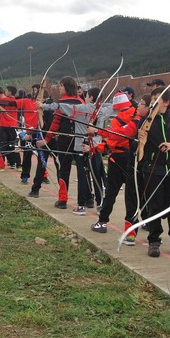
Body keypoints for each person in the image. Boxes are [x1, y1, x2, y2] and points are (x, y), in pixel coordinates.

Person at [138, 87, 170, 258]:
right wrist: (141, 141)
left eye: (156, 100)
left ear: (166, 103)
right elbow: (137, 150)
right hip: (153, 169)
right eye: (151, 100)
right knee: (155, 206)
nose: (153, 103)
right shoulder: (146, 121)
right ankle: (154, 241)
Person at [89, 92, 140, 234]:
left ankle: (102, 222)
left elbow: (113, 141)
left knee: (111, 192)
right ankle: (135, 228)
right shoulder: (137, 115)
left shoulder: (116, 120)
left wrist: (96, 136)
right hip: (133, 157)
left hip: (117, 159)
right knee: (134, 193)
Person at [37, 76, 85, 210]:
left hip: (65, 140)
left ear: (66, 87)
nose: (59, 88)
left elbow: (55, 123)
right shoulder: (81, 101)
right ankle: (86, 200)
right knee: (82, 170)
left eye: (61, 86)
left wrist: (46, 140)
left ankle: (63, 200)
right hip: (80, 140)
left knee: (64, 169)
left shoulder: (62, 103)